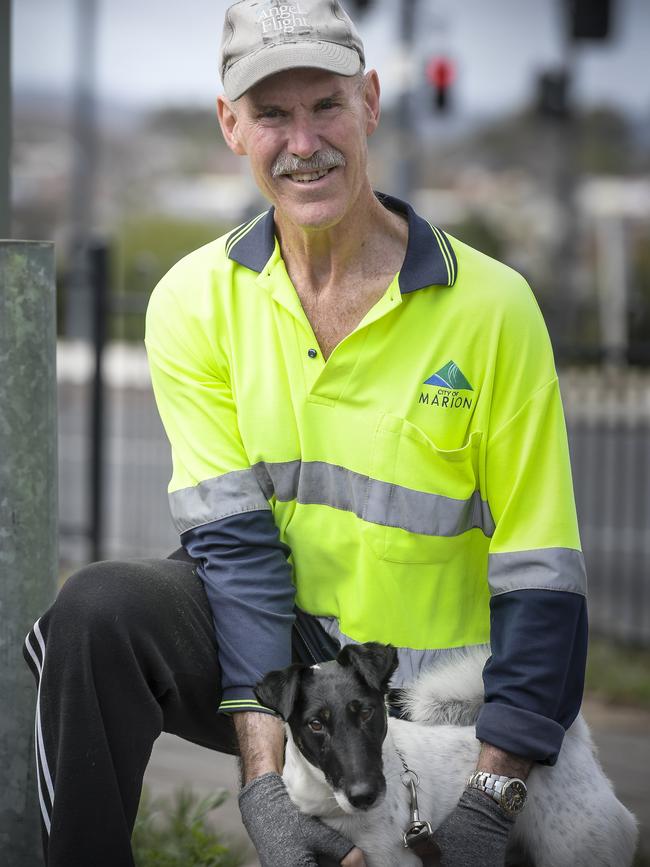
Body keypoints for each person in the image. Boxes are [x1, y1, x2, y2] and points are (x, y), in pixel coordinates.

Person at [23, 1, 588, 865]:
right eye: (271, 114)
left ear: (369, 101)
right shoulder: (192, 300)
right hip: (292, 668)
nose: (303, 140)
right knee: (95, 612)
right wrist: (266, 792)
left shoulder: (494, 307)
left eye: (324, 104)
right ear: (230, 125)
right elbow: (238, 558)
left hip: (438, 694)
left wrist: (489, 802)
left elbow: (542, 583)